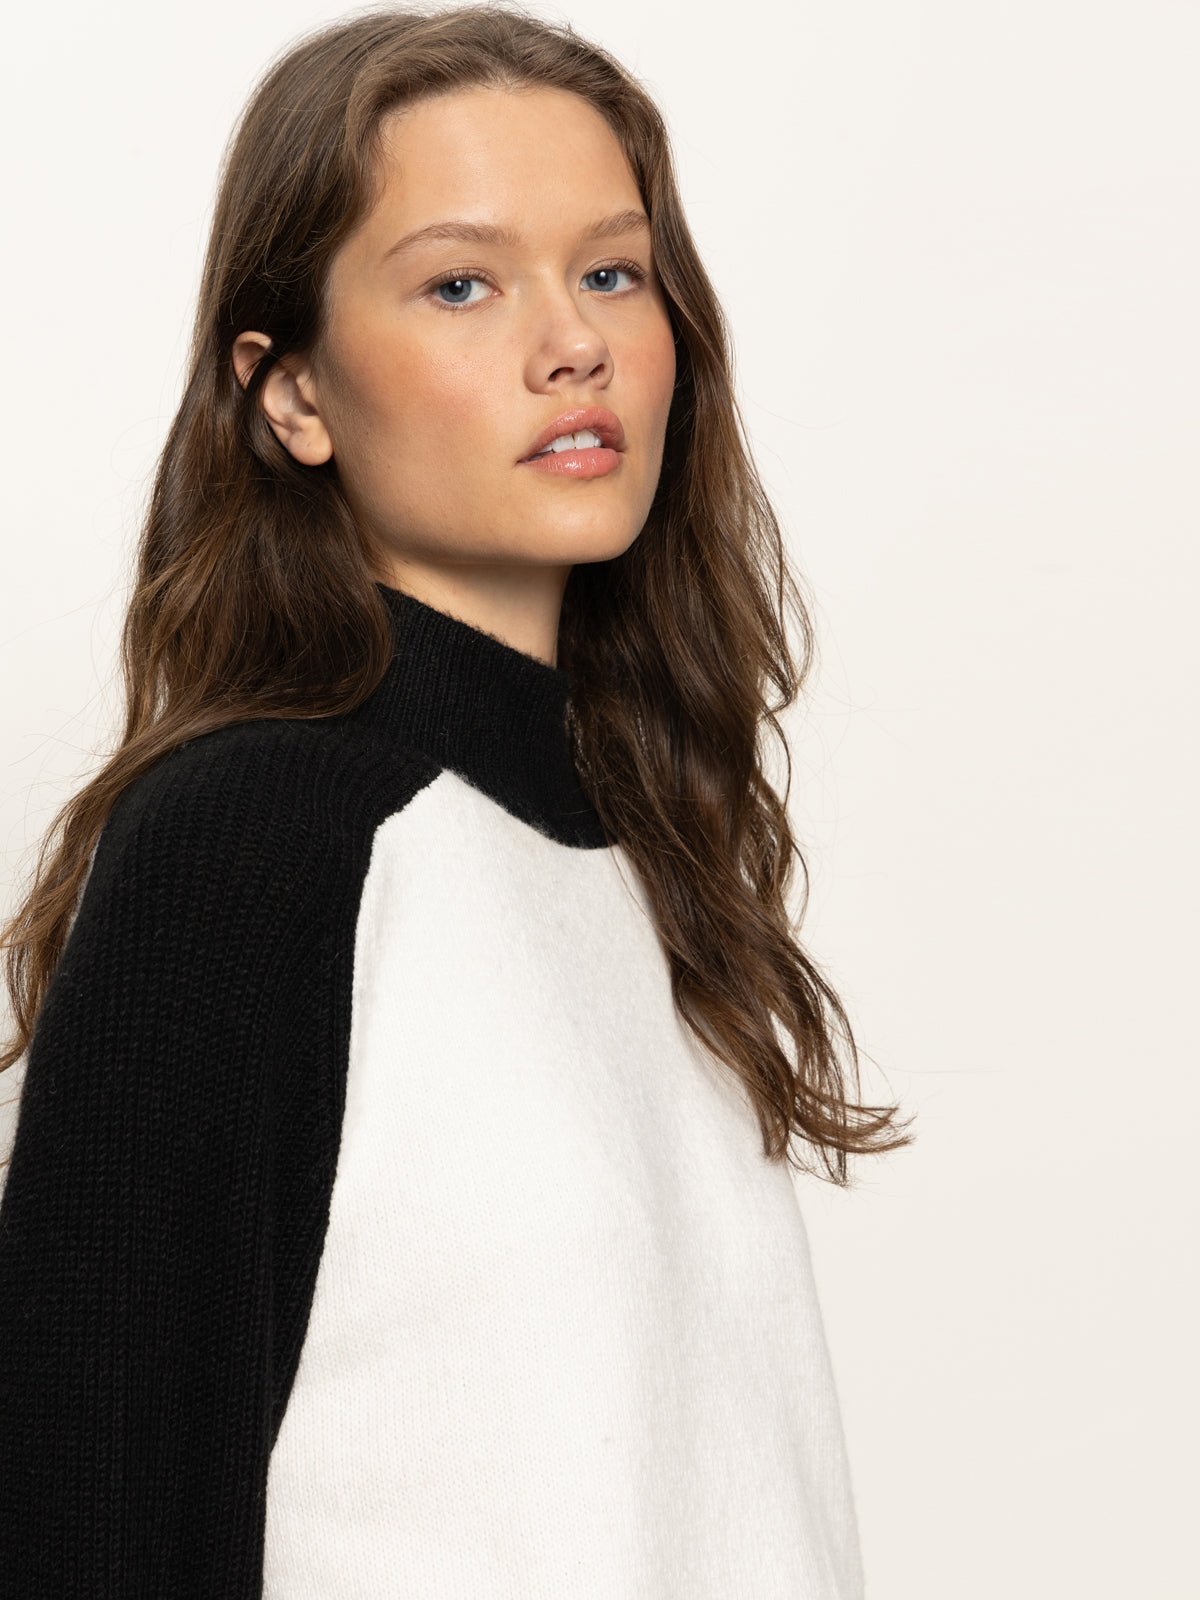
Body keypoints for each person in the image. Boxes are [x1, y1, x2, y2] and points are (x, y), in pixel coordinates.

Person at [0, 6, 913, 1595]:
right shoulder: (251, 840)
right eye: (461, 284)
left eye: (612, 272)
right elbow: (93, 1519)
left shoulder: (650, 854)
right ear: (291, 394)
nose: (574, 344)